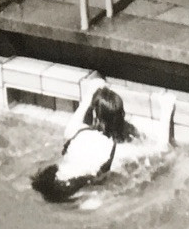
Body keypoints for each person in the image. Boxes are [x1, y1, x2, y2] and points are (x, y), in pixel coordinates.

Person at [30, 78, 177, 203]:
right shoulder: (119, 152)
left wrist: (94, 89)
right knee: (97, 200)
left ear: (94, 114)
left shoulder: (76, 130)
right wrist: (166, 108)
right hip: (75, 189)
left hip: (46, 181)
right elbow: (162, 149)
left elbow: (84, 104)